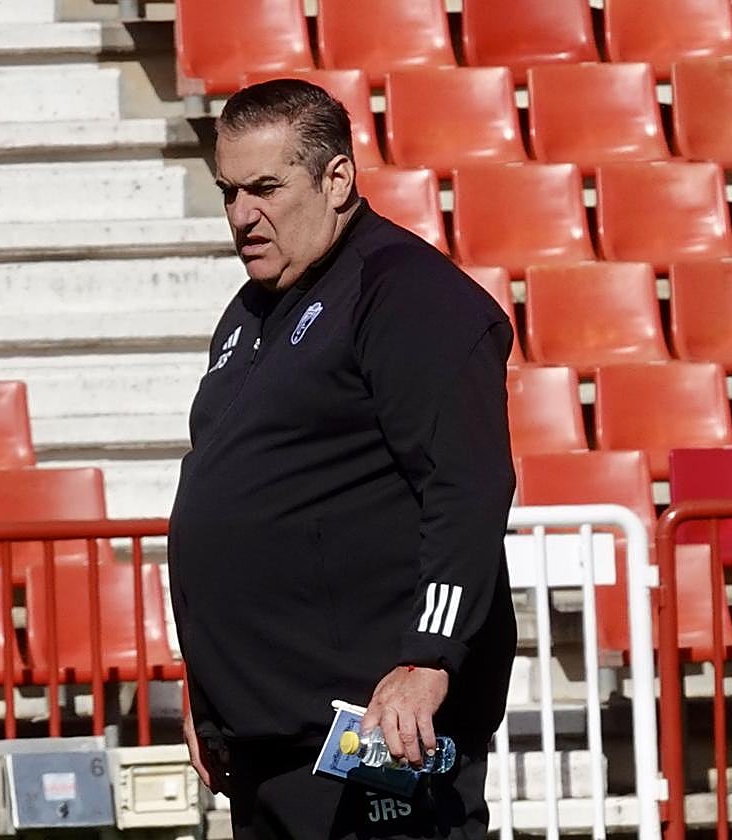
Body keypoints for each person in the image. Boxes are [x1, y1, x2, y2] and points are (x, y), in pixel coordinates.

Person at [166, 78, 517, 839]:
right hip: (270, 746)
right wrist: (212, 703)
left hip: (374, 738)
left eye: (264, 188)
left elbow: (469, 485)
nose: (240, 215)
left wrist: (430, 657)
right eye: (227, 191)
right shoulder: (253, 308)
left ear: (337, 178)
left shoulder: (408, 294)